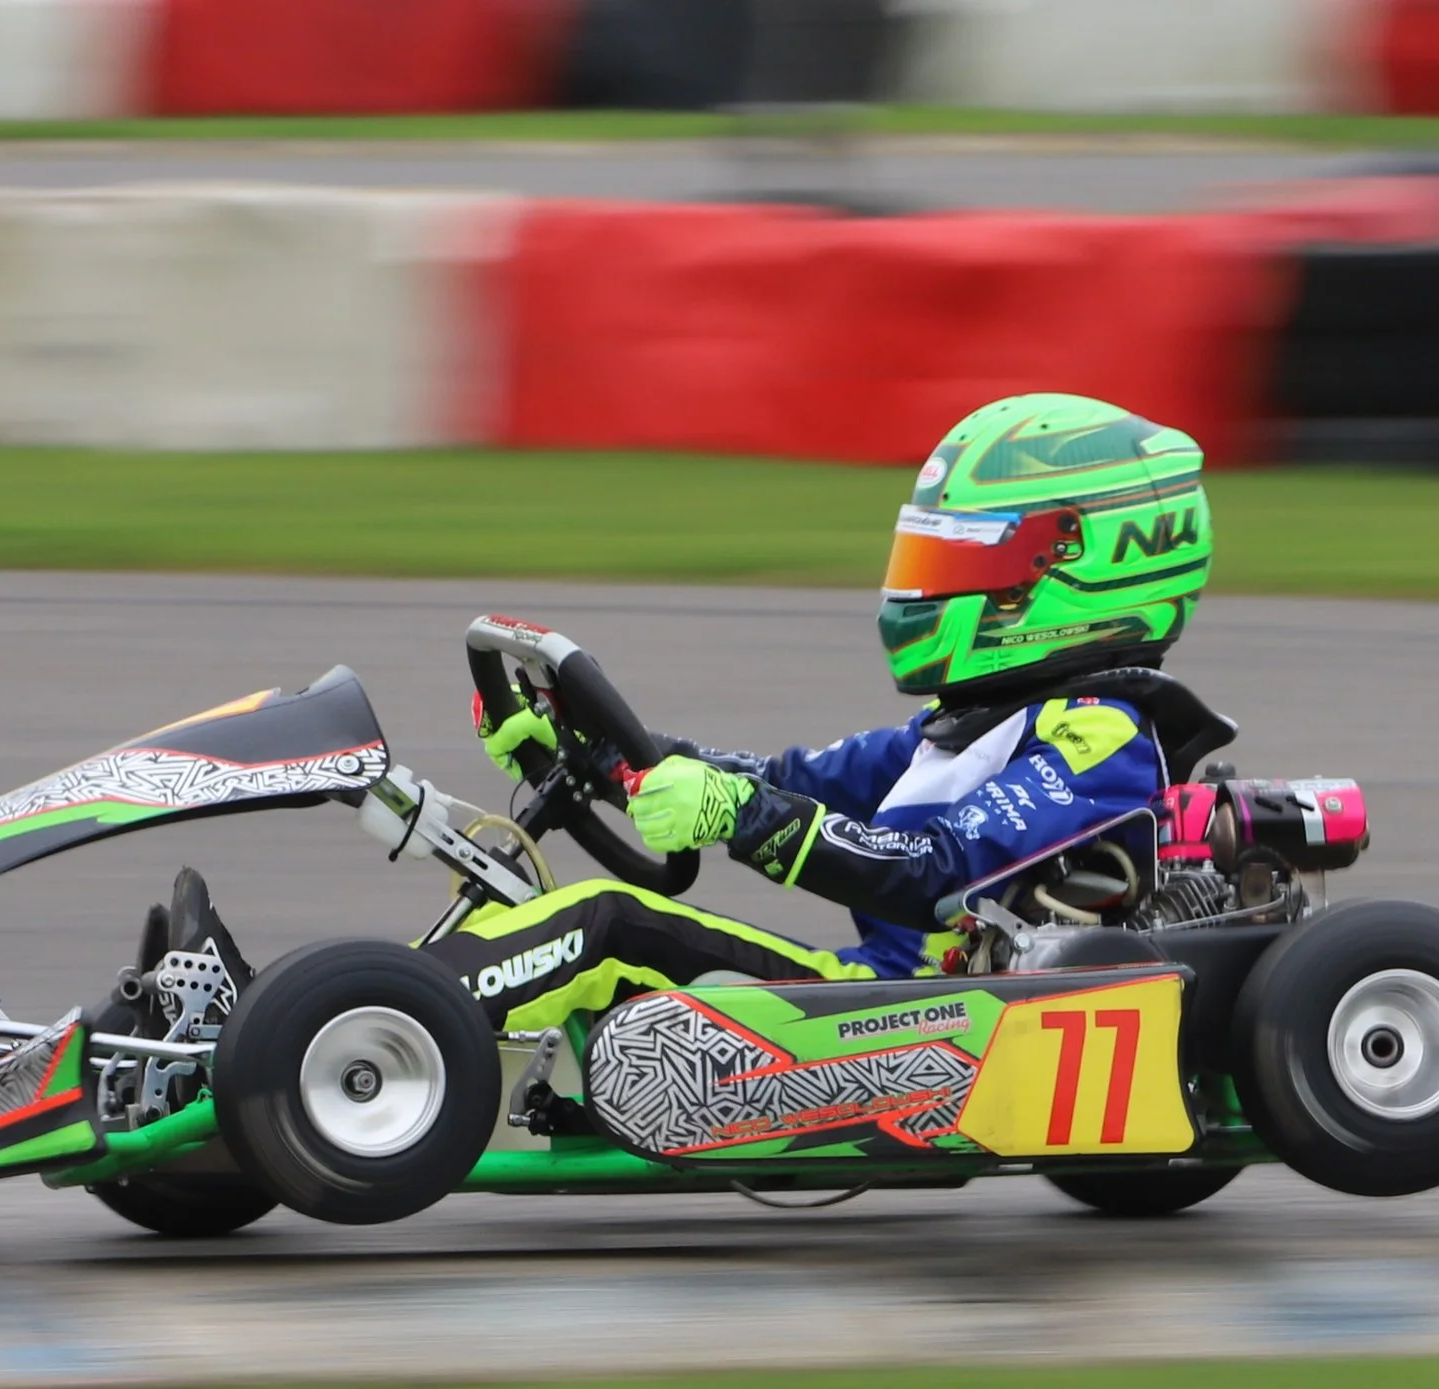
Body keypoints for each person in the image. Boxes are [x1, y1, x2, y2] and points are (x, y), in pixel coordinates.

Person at [426, 391, 1216, 1034]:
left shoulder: (1096, 737)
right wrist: (598, 755)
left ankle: (386, 1033)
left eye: (965, 566)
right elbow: (784, 778)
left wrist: (744, 815)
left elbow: (932, 873)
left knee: (603, 927)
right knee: (545, 913)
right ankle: (391, 1023)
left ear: (1074, 580)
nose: (928, 590)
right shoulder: (972, 723)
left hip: (917, 1020)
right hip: (890, 1008)